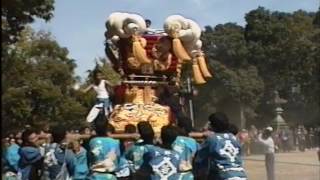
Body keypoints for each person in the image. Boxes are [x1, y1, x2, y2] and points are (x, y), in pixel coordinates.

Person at [194, 112, 247, 180]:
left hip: (223, 176)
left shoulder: (212, 140)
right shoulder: (234, 139)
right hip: (241, 176)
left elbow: (199, 160)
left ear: (212, 125)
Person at [88, 115, 121, 180]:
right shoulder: (115, 142)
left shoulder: (92, 142)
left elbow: (89, 158)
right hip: (111, 176)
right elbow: (118, 158)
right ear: (107, 126)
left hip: (95, 176)